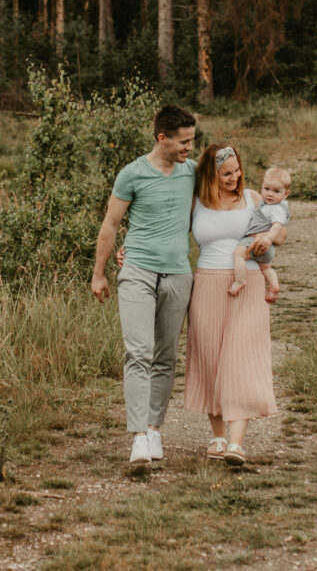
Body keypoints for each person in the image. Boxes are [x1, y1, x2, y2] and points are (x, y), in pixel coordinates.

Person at [91, 104, 198, 466]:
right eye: (183, 142)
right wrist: (99, 272)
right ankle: (137, 436)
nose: (189, 148)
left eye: (192, 141)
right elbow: (110, 224)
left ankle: (154, 428)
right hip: (137, 272)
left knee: (166, 356)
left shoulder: (193, 173)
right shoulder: (131, 174)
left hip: (179, 275)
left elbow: (229, 197)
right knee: (139, 352)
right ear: (162, 138)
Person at [183, 143, 286, 467]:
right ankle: (217, 436)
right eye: (226, 173)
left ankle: (236, 443)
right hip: (208, 285)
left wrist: (268, 239)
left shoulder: (253, 198)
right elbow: (170, 234)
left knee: (243, 358)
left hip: (249, 283)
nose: (235, 177)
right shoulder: (196, 202)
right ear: (212, 174)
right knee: (211, 358)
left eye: (237, 171)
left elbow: (280, 232)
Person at [228, 166, 291, 302]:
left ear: (286, 194)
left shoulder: (277, 209)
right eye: (267, 189)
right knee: (266, 267)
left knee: (238, 254)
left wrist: (268, 238)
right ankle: (274, 286)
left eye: (276, 191)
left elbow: (277, 226)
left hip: (257, 241)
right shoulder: (266, 204)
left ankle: (240, 280)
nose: (270, 194)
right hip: (267, 249)